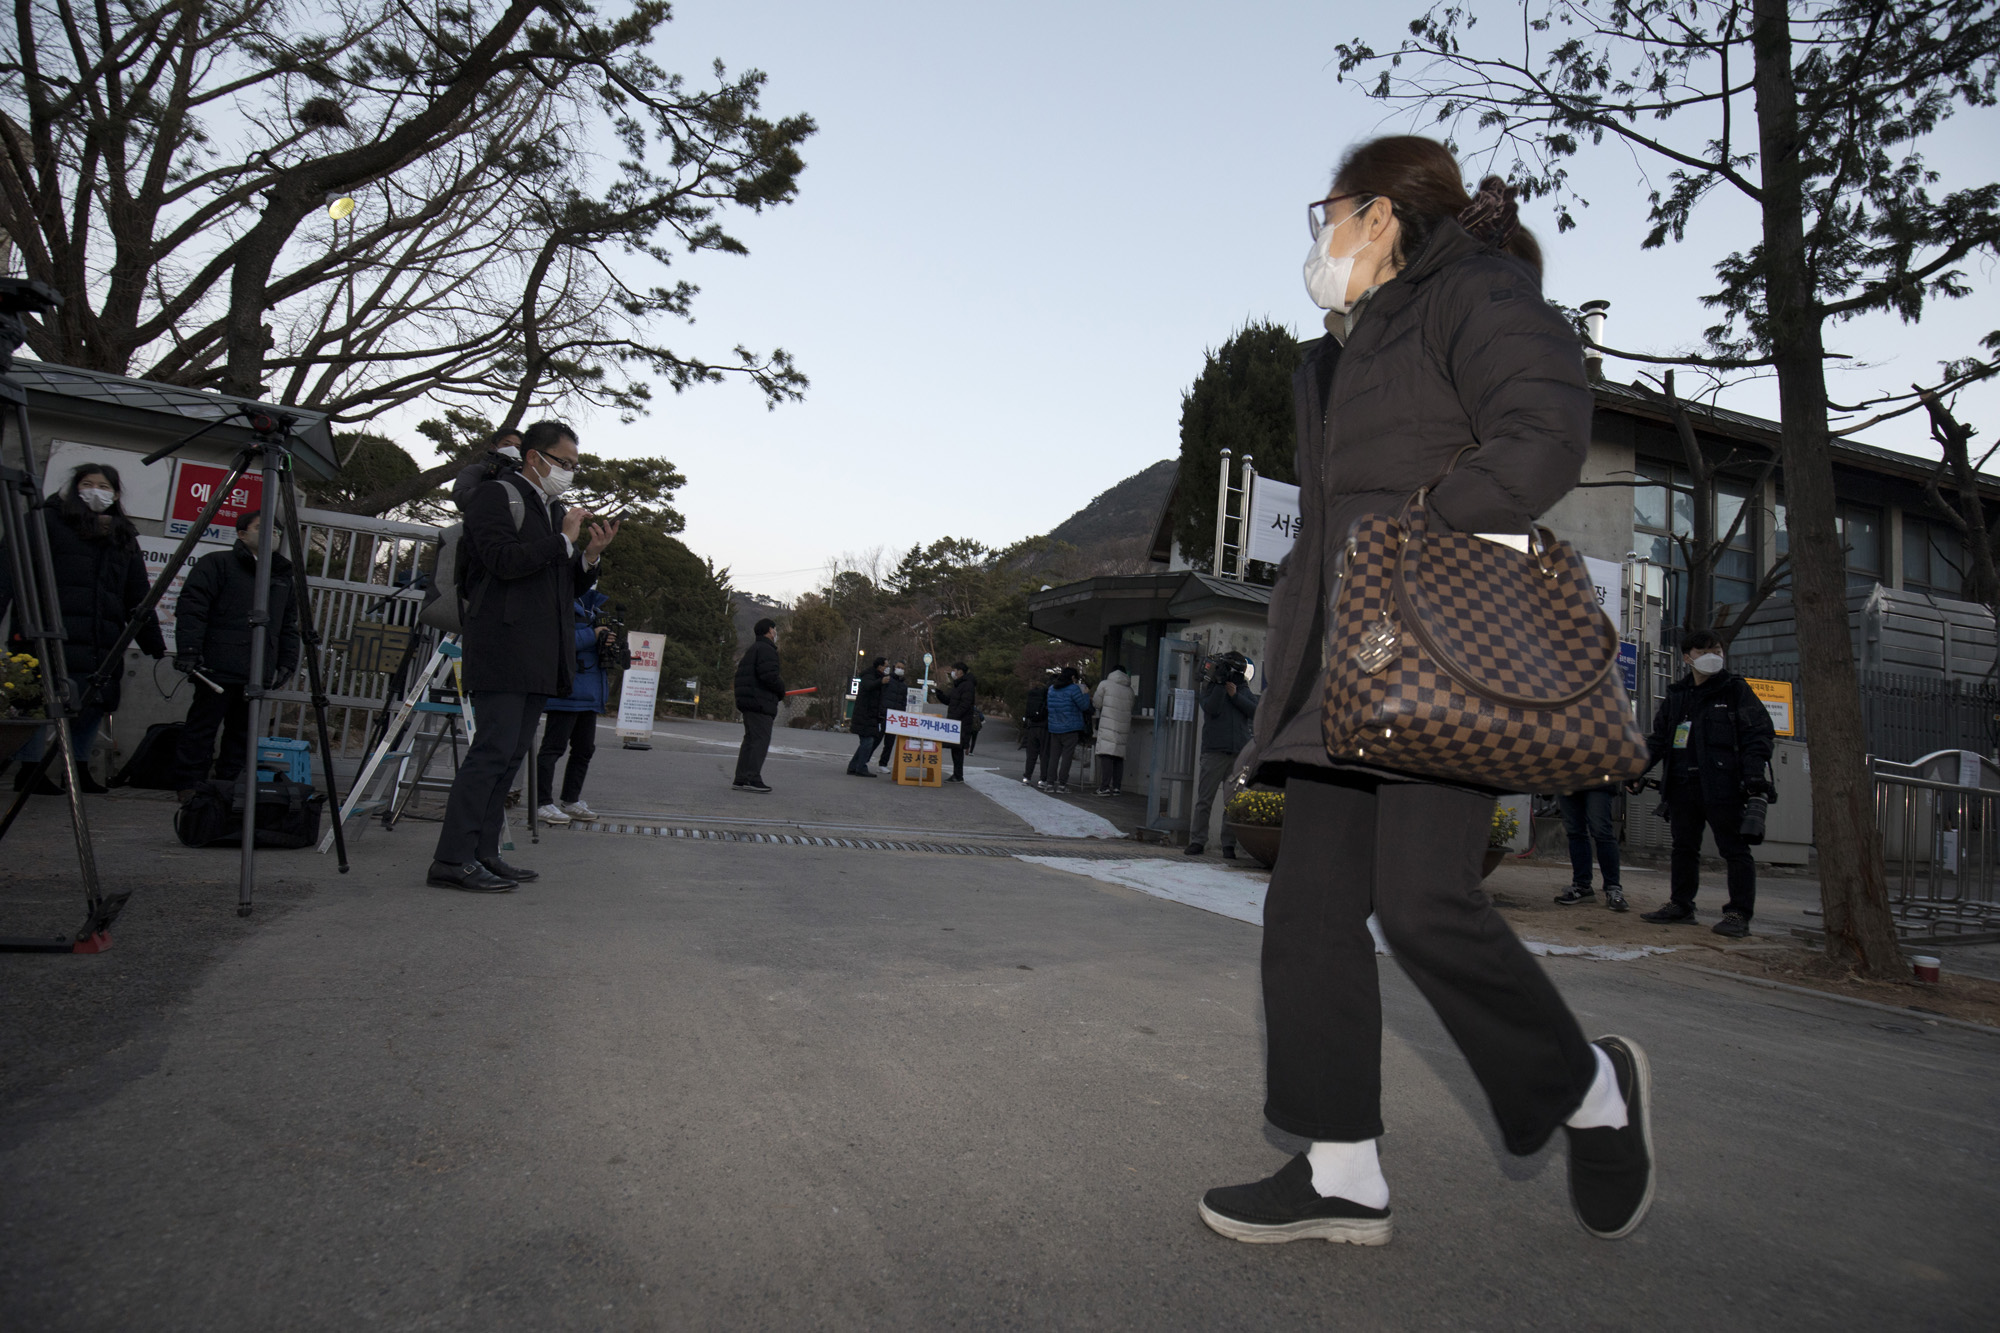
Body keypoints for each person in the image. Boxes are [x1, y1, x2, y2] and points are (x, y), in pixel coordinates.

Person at [1198, 137, 1652, 1251]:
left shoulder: (1476, 291)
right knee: (1305, 908)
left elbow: (1543, 432)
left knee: (1420, 903)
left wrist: (1424, 538)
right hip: (1341, 656)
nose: (1319, 240)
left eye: (1328, 214)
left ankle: (1590, 1091)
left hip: (1438, 649)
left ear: (1382, 213)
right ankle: (1338, 1169)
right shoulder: (1338, 353)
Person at [428, 420, 617, 892]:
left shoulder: (549, 510)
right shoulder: (498, 495)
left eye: (576, 466)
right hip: (502, 644)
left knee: (511, 756)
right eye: (564, 463)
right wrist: (562, 541)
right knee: (490, 753)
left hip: (537, 652)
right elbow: (501, 560)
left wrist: (589, 555)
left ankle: (484, 852)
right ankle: (451, 859)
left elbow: (562, 583)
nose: (570, 473)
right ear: (536, 457)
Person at [0, 464, 166, 793]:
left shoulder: (123, 535)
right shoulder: (44, 521)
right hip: (46, 630)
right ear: (75, 489)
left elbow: (137, 592)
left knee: (93, 702)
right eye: (87, 484)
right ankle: (30, 769)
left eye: (102, 485)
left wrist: (152, 641)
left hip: (101, 636)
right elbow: (9, 568)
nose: (94, 490)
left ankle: (76, 769)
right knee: (37, 699)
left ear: (115, 494)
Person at [1631, 628, 1776, 938]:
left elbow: (1759, 735)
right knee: (1683, 848)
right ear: (1687, 657)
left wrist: (1753, 778)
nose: (1713, 658)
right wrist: (1636, 771)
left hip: (1724, 785)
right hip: (1682, 785)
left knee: (1735, 850)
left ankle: (1738, 913)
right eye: (1704, 652)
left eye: (1718, 652)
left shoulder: (1735, 690)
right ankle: (1681, 905)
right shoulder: (1678, 696)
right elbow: (1658, 740)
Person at [170, 510, 301, 798]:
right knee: (202, 728)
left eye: (277, 531)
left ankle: (231, 786)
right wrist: (190, 650)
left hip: (257, 669)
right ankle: (190, 785)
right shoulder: (217, 564)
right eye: (261, 527)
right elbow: (193, 608)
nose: (272, 535)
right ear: (242, 534)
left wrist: (287, 663)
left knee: (242, 734)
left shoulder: (281, 576)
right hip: (216, 667)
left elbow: (288, 625)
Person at [534, 589, 613, 825]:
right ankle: (541, 802)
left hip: (589, 693)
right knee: (553, 749)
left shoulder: (594, 610)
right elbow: (558, 641)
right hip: (566, 692)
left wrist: (607, 640)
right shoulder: (561, 605)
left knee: (584, 749)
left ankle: (571, 800)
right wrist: (593, 634)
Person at [1186, 653, 1256, 855]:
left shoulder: (1242, 688)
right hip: (1214, 751)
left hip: (1237, 753)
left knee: (1232, 802)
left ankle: (1228, 845)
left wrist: (1235, 695)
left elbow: (1255, 711)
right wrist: (1219, 685)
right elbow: (1211, 708)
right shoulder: (1209, 687)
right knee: (1204, 800)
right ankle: (1198, 841)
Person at [1553, 784, 1627, 912]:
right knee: (1575, 832)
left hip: (1599, 778)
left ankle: (1613, 888)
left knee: (1601, 831)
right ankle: (1582, 886)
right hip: (1568, 778)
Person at [733, 618, 784, 793]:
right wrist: (781, 690)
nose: (776, 633)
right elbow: (769, 676)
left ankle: (741, 777)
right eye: (774, 629)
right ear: (769, 630)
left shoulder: (753, 649)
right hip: (760, 703)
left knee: (750, 740)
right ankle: (752, 777)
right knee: (760, 740)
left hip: (749, 702)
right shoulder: (766, 649)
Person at [1040, 666, 1090, 793]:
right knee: (1067, 757)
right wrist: (1085, 693)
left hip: (1054, 727)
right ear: (1073, 677)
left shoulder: (1051, 689)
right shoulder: (1073, 689)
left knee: (1054, 757)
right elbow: (1084, 706)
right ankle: (1062, 784)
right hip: (1070, 728)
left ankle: (1050, 783)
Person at [1092, 666, 1137, 796]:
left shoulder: (1105, 684)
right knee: (1118, 756)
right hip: (1123, 725)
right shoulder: (1129, 690)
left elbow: (1097, 703)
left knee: (1106, 754)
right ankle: (1117, 787)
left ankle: (1104, 787)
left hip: (1108, 722)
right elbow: (1131, 706)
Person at [932, 661, 978, 782]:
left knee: (958, 749)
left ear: (960, 671)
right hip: (956, 721)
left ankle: (958, 775)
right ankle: (957, 774)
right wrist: (939, 694)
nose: (953, 673)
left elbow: (965, 704)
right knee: (955, 748)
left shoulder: (967, 685)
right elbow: (950, 701)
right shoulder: (958, 685)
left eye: (955, 670)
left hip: (961, 722)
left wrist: (955, 717)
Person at [848, 657, 888, 777]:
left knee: (865, 742)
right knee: (868, 741)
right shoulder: (869, 676)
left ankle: (853, 766)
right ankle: (861, 767)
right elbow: (869, 686)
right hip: (864, 715)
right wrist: (881, 682)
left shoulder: (877, 676)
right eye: (885, 666)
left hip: (870, 716)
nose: (887, 668)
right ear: (879, 666)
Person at [875, 660, 909, 769]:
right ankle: (863, 760)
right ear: (894, 668)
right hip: (884, 714)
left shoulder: (904, 685)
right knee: (876, 740)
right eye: (899, 667)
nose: (900, 669)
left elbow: (904, 702)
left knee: (889, 743)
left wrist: (902, 715)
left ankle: (883, 764)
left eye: (902, 668)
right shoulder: (887, 680)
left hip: (895, 718)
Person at [1019, 674, 1050, 786]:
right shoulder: (1047, 693)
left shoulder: (1032, 693)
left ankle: (1027, 777)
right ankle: (1043, 779)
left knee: (1031, 754)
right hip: (1044, 727)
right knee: (1044, 754)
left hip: (1032, 726)